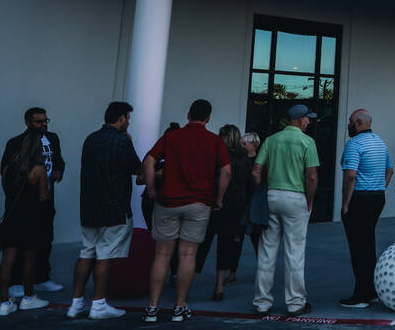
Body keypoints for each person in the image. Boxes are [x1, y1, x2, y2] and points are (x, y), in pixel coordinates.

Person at [142, 99, 230, 323]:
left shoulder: (172, 137)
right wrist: (218, 198)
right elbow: (226, 171)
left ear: (188, 114)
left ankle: (152, 307)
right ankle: (179, 307)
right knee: (188, 255)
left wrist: (152, 189)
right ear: (208, 118)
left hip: (168, 201)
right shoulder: (215, 141)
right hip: (199, 202)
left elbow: (149, 161)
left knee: (162, 255)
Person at [67, 101, 141, 320]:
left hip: (89, 206)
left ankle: (76, 303)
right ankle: (98, 304)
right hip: (114, 206)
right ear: (120, 118)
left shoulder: (91, 139)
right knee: (105, 255)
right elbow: (136, 168)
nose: (128, 121)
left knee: (86, 251)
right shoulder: (121, 141)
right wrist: (131, 143)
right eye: (127, 118)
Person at [252, 104, 319, 317]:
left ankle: (262, 303)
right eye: (307, 118)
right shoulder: (307, 142)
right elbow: (311, 176)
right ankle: (295, 303)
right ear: (299, 120)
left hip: (272, 196)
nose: (309, 121)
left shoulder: (272, 140)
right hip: (296, 198)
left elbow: (256, 171)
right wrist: (309, 201)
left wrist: (260, 193)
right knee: (295, 252)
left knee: (267, 252)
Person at [2, 107, 64, 297]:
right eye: (39, 121)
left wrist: (59, 171)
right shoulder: (16, 143)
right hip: (23, 201)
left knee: (45, 238)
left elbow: (59, 161)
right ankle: (17, 281)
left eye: (46, 120)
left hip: (46, 198)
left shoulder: (52, 138)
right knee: (20, 243)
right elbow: (5, 170)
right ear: (28, 122)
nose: (43, 124)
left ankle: (41, 278)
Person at [339, 109, 393, 309]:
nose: (348, 125)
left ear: (359, 122)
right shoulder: (379, 141)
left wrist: (345, 203)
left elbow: (350, 176)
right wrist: (379, 186)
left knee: (358, 248)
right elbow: (390, 169)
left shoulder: (354, 144)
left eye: (350, 122)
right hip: (377, 198)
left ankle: (361, 295)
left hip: (359, 200)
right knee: (368, 244)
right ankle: (370, 292)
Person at [0, 126, 51, 316]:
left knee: (7, 260)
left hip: (11, 217)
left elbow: (6, 191)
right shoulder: (38, 169)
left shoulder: (8, 168)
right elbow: (44, 196)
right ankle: (28, 297)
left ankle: (4, 302)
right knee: (29, 260)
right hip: (31, 218)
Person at [196, 124, 254, 301]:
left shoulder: (216, 156)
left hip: (214, 203)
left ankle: (184, 276)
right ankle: (219, 285)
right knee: (226, 245)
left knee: (199, 243)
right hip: (236, 205)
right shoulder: (244, 159)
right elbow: (248, 184)